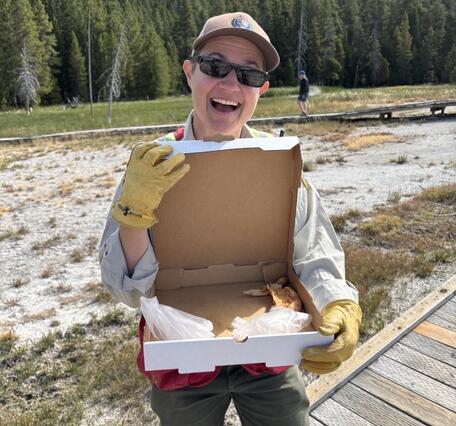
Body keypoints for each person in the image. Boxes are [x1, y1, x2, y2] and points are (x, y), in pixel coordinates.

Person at [99, 12, 361, 426]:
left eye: (248, 75)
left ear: (262, 89)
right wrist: (133, 217)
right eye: (215, 66)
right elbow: (128, 292)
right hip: (183, 364)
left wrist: (338, 301)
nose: (230, 84)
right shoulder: (153, 163)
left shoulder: (277, 161)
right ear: (190, 73)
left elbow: (314, 249)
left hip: (270, 353)